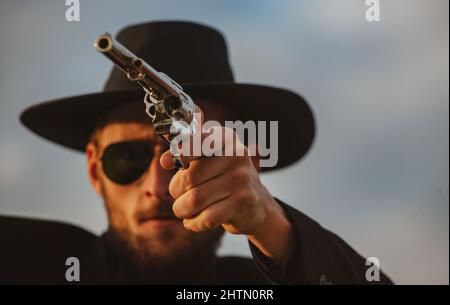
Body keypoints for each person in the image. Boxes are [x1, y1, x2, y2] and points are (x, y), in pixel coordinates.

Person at [12, 21, 392, 284]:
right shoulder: (26, 259)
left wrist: (272, 224)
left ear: (247, 165)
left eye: (188, 158)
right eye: (127, 158)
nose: (160, 186)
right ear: (94, 171)